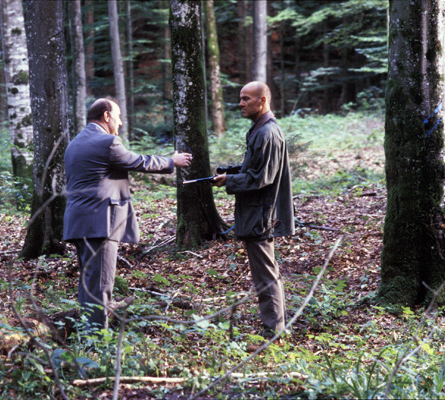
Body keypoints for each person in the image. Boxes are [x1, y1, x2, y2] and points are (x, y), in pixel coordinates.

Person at [64, 98, 192, 333]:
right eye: (118, 116)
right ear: (106, 116)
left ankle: (86, 335)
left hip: (79, 222)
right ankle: (96, 344)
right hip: (100, 223)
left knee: (88, 284)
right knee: (100, 285)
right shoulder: (107, 142)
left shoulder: (74, 143)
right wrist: (171, 161)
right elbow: (136, 161)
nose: (121, 122)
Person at [213, 81, 294, 336]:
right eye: (240, 98)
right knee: (265, 272)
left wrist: (230, 181)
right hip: (256, 212)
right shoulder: (258, 131)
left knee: (266, 275)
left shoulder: (268, 133)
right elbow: (256, 168)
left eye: (246, 99)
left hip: (262, 214)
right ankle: (274, 328)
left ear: (262, 101)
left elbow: (262, 178)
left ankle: (274, 333)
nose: (240, 103)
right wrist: (233, 172)